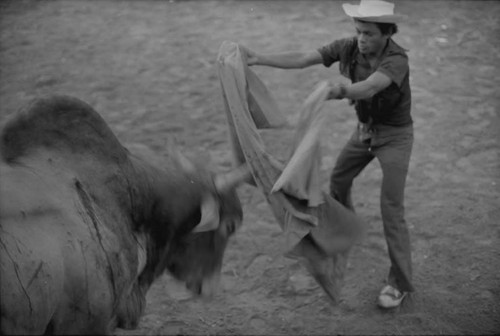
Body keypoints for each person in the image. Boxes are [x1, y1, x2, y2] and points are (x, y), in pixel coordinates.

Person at [244, 0, 414, 309]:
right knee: (339, 179)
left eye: (369, 33)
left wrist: (341, 91)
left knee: (391, 209)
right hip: (364, 132)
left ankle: (399, 283)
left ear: (387, 33)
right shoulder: (349, 47)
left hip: (395, 138)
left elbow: (372, 87)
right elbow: (304, 57)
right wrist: (259, 58)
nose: (361, 38)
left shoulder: (396, 59)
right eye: (358, 31)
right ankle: (345, 227)